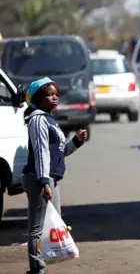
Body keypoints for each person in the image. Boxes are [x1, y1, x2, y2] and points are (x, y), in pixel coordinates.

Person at [22, 77, 89, 274]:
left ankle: (42, 263)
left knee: (52, 223)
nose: (54, 98)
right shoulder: (37, 119)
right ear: (38, 98)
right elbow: (41, 152)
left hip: (49, 178)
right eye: (49, 94)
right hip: (38, 177)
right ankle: (37, 269)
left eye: (56, 95)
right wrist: (44, 182)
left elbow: (61, 151)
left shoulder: (50, 120)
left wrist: (76, 141)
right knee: (37, 228)